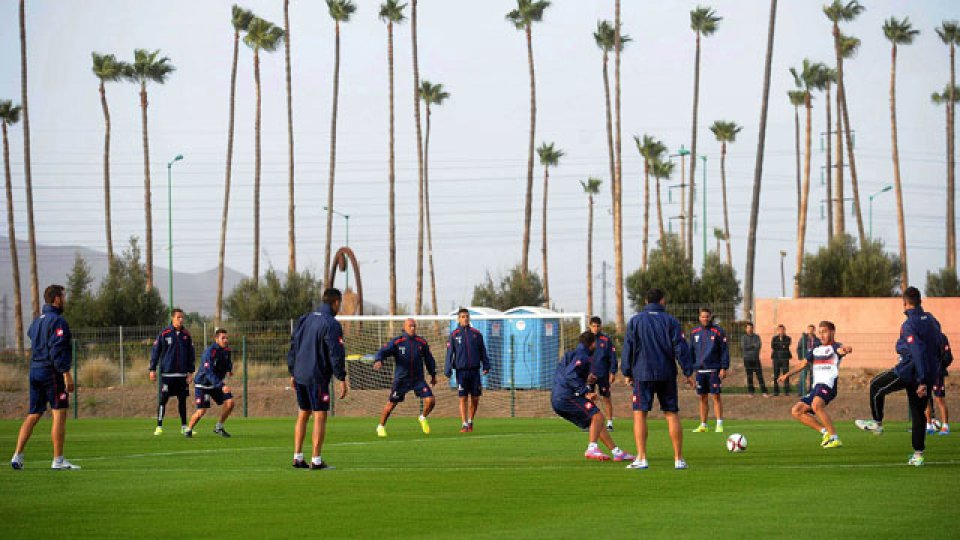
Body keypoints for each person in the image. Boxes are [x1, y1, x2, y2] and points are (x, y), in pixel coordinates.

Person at [855, 287, 944, 466]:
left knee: (875, 386)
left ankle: (877, 422)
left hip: (909, 372)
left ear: (905, 303)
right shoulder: (933, 320)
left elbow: (917, 352)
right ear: (920, 301)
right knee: (918, 413)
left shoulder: (909, 324)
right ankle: (918, 455)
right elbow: (938, 346)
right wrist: (929, 377)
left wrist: (920, 380)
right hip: (928, 373)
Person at [621, 288, 695, 470]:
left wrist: (626, 371)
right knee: (671, 414)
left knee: (640, 413)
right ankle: (678, 459)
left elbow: (628, 347)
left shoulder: (636, 321)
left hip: (642, 373)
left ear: (646, 301)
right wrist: (687, 371)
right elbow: (680, 347)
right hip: (666, 373)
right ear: (662, 301)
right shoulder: (671, 321)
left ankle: (641, 457)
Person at [10, 285, 79, 470]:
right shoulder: (58, 321)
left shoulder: (37, 321)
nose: (65, 299)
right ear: (56, 298)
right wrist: (66, 374)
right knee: (59, 413)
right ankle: (58, 460)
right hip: (51, 373)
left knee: (33, 414)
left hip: (34, 371)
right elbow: (57, 349)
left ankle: (17, 455)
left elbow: (31, 334)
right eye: (63, 296)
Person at [287, 288, 349, 470]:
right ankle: (316, 460)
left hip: (300, 374)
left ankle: (297, 457)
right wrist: (341, 377)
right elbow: (335, 353)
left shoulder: (304, 319)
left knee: (303, 413)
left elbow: (293, 346)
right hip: (317, 376)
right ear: (336, 302)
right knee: (320, 415)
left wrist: (292, 371)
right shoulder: (331, 323)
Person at [552, 331, 634, 462]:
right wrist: (586, 391)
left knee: (596, 421)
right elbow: (570, 375)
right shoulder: (582, 355)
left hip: (559, 398)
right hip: (567, 397)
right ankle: (592, 448)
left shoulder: (572, 354)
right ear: (593, 343)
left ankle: (616, 452)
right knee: (597, 416)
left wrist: (587, 378)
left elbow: (568, 373)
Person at [778, 321, 851, 449]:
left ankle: (835, 438)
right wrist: (786, 375)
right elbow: (802, 364)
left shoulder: (835, 347)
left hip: (828, 385)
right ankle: (825, 433)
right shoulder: (816, 349)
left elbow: (842, 350)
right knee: (796, 411)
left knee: (816, 405)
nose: (822, 335)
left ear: (832, 332)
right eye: (820, 332)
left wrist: (846, 349)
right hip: (816, 388)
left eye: (825, 332)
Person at [373, 318, 437, 437]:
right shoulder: (398, 342)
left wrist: (433, 374)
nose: (412, 328)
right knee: (391, 405)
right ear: (405, 327)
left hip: (418, 379)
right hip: (402, 379)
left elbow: (429, 359)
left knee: (431, 401)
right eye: (410, 326)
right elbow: (383, 351)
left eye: (414, 326)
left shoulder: (421, 342)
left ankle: (422, 417)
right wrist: (379, 360)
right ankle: (381, 426)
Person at [149, 308, 196, 435]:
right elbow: (155, 351)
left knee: (182, 401)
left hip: (181, 375)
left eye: (182, 317)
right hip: (167, 374)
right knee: (163, 400)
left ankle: (184, 426)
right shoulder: (164, 333)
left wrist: (190, 372)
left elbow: (191, 354)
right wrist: (152, 369)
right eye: (178, 317)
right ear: (172, 318)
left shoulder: (186, 335)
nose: (180, 320)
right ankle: (159, 426)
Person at [444, 308, 491, 433]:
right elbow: (449, 353)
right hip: (461, 371)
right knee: (463, 397)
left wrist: (486, 365)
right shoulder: (454, 335)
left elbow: (483, 351)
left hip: (475, 371)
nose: (465, 318)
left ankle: (470, 420)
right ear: (459, 319)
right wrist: (447, 369)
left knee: (475, 398)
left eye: (467, 316)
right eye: (463, 316)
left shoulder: (476, 334)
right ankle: (464, 424)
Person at [185, 328, 235, 438]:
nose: (226, 340)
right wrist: (222, 386)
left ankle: (219, 427)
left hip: (215, 385)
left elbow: (228, 362)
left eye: (226, 338)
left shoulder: (227, 350)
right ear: (216, 339)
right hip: (203, 385)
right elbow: (208, 372)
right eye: (223, 338)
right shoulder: (210, 352)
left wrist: (230, 369)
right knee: (201, 411)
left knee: (230, 402)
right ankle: (188, 430)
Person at [689, 308, 730, 433]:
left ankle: (719, 424)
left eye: (707, 316)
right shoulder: (694, 332)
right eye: (702, 316)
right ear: (699, 317)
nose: (705, 319)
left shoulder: (718, 331)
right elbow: (690, 351)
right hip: (700, 371)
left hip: (713, 369)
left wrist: (724, 367)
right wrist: (689, 370)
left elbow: (724, 351)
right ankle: (703, 425)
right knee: (702, 397)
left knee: (716, 396)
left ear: (710, 317)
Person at [588, 316, 618, 431]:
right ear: (590, 326)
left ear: (601, 327)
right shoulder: (586, 339)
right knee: (589, 397)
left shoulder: (606, 340)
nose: (595, 328)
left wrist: (613, 372)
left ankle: (609, 422)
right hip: (589, 375)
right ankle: (590, 421)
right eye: (593, 326)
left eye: (598, 326)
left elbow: (612, 357)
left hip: (603, 374)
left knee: (606, 397)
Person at [924, 333, 951, 435]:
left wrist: (939, 367)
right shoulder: (921, 335)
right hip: (924, 373)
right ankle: (929, 425)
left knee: (939, 398)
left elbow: (948, 356)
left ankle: (945, 426)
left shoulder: (941, 337)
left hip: (937, 373)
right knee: (925, 399)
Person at [740, 322, 768, 397]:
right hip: (747, 359)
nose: (749, 329)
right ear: (746, 329)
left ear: (753, 328)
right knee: (749, 376)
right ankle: (751, 392)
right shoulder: (743, 337)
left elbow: (758, 346)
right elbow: (743, 347)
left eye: (751, 328)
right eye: (748, 328)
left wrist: (749, 347)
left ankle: (764, 392)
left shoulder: (757, 337)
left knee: (760, 376)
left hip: (756, 359)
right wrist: (753, 346)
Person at [795, 324, 821, 397]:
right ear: (807, 330)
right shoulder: (803, 339)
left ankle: (811, 391)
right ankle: (801, 392)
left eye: (812, 329)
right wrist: (800, 358)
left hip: (813, 360)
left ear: (814, 330)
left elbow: (819, 349)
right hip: (805, 359)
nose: (811, 331)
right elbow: (799, 348)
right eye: (809, 329)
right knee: (803, 375)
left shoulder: (817, 340)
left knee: (813, 376)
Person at [770, 325, 792, 396]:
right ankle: (776, 391)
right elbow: (773, 346)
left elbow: (786, 345)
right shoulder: (774, 338)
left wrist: (780, 346)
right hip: (776, 359)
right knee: (776, 375)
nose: (781, 331)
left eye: (782, 330)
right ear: (777, 331)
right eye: (779, 330)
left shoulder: (788, 338)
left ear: (784, 330)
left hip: (785, 358)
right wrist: (782, 346)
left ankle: (786, 391)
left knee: (786, 375)